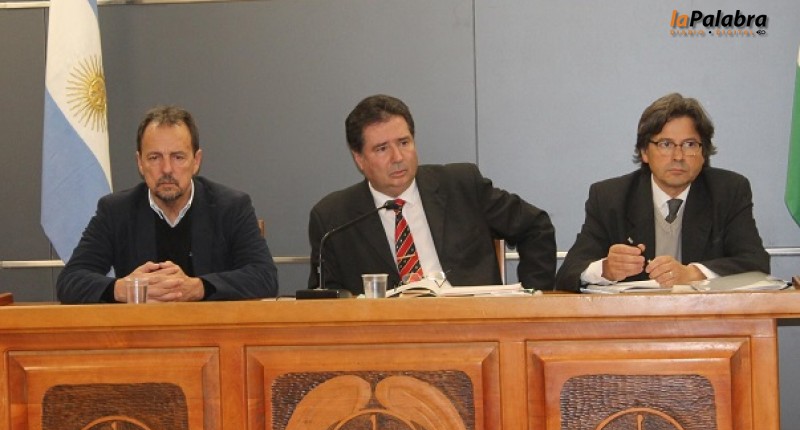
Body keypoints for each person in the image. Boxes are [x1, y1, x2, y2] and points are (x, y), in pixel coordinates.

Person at [307, 94, 556, 295]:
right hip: (386, 336)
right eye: (382, 149)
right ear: (359, 159)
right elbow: (325, 299)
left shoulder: (460, 185)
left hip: (471, 327)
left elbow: (536, 227)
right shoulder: (333, 218)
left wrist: (532, 300)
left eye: (404, 143)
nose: (398, 157)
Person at [57, 105, 278, 303]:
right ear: (140, 163)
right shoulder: (116, 211)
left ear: (196, 161)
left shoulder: (231, 207)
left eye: (178, 157)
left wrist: (198, 287)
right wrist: (126, 289)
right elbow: (70, 280)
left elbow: (265, 276)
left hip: (211, 331)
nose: (167, 169)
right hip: (142, 332)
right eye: (154, 158)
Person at [555, 93, 769, 292]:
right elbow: (568, 274)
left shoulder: (728, 191)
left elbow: (756, 263)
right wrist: (606, 269)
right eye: (666, 144)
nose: (678, 156)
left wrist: (692, 274)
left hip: (708, 316)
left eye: (689, 144)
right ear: (644, 152)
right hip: (635, 318)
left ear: (703, 152)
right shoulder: (610, 198)